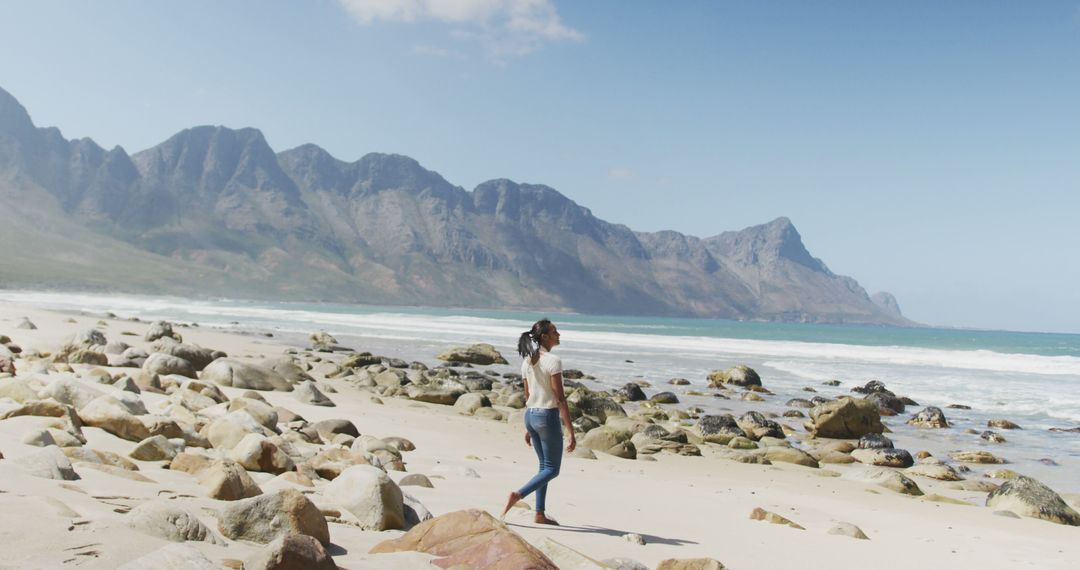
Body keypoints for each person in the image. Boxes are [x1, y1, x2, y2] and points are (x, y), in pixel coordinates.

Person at [500, 319, 576, 525]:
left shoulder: (527, 362)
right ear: (544, 337)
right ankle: (518, 495)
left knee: (544, 467)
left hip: (531, 415)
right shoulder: (553, 361)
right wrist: (571, 432)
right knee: (553, 469)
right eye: (554, 331)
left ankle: (539, 514)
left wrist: (529, 426)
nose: (558, 334)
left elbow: (527, 395)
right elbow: (560, 398)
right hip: (546, 416)